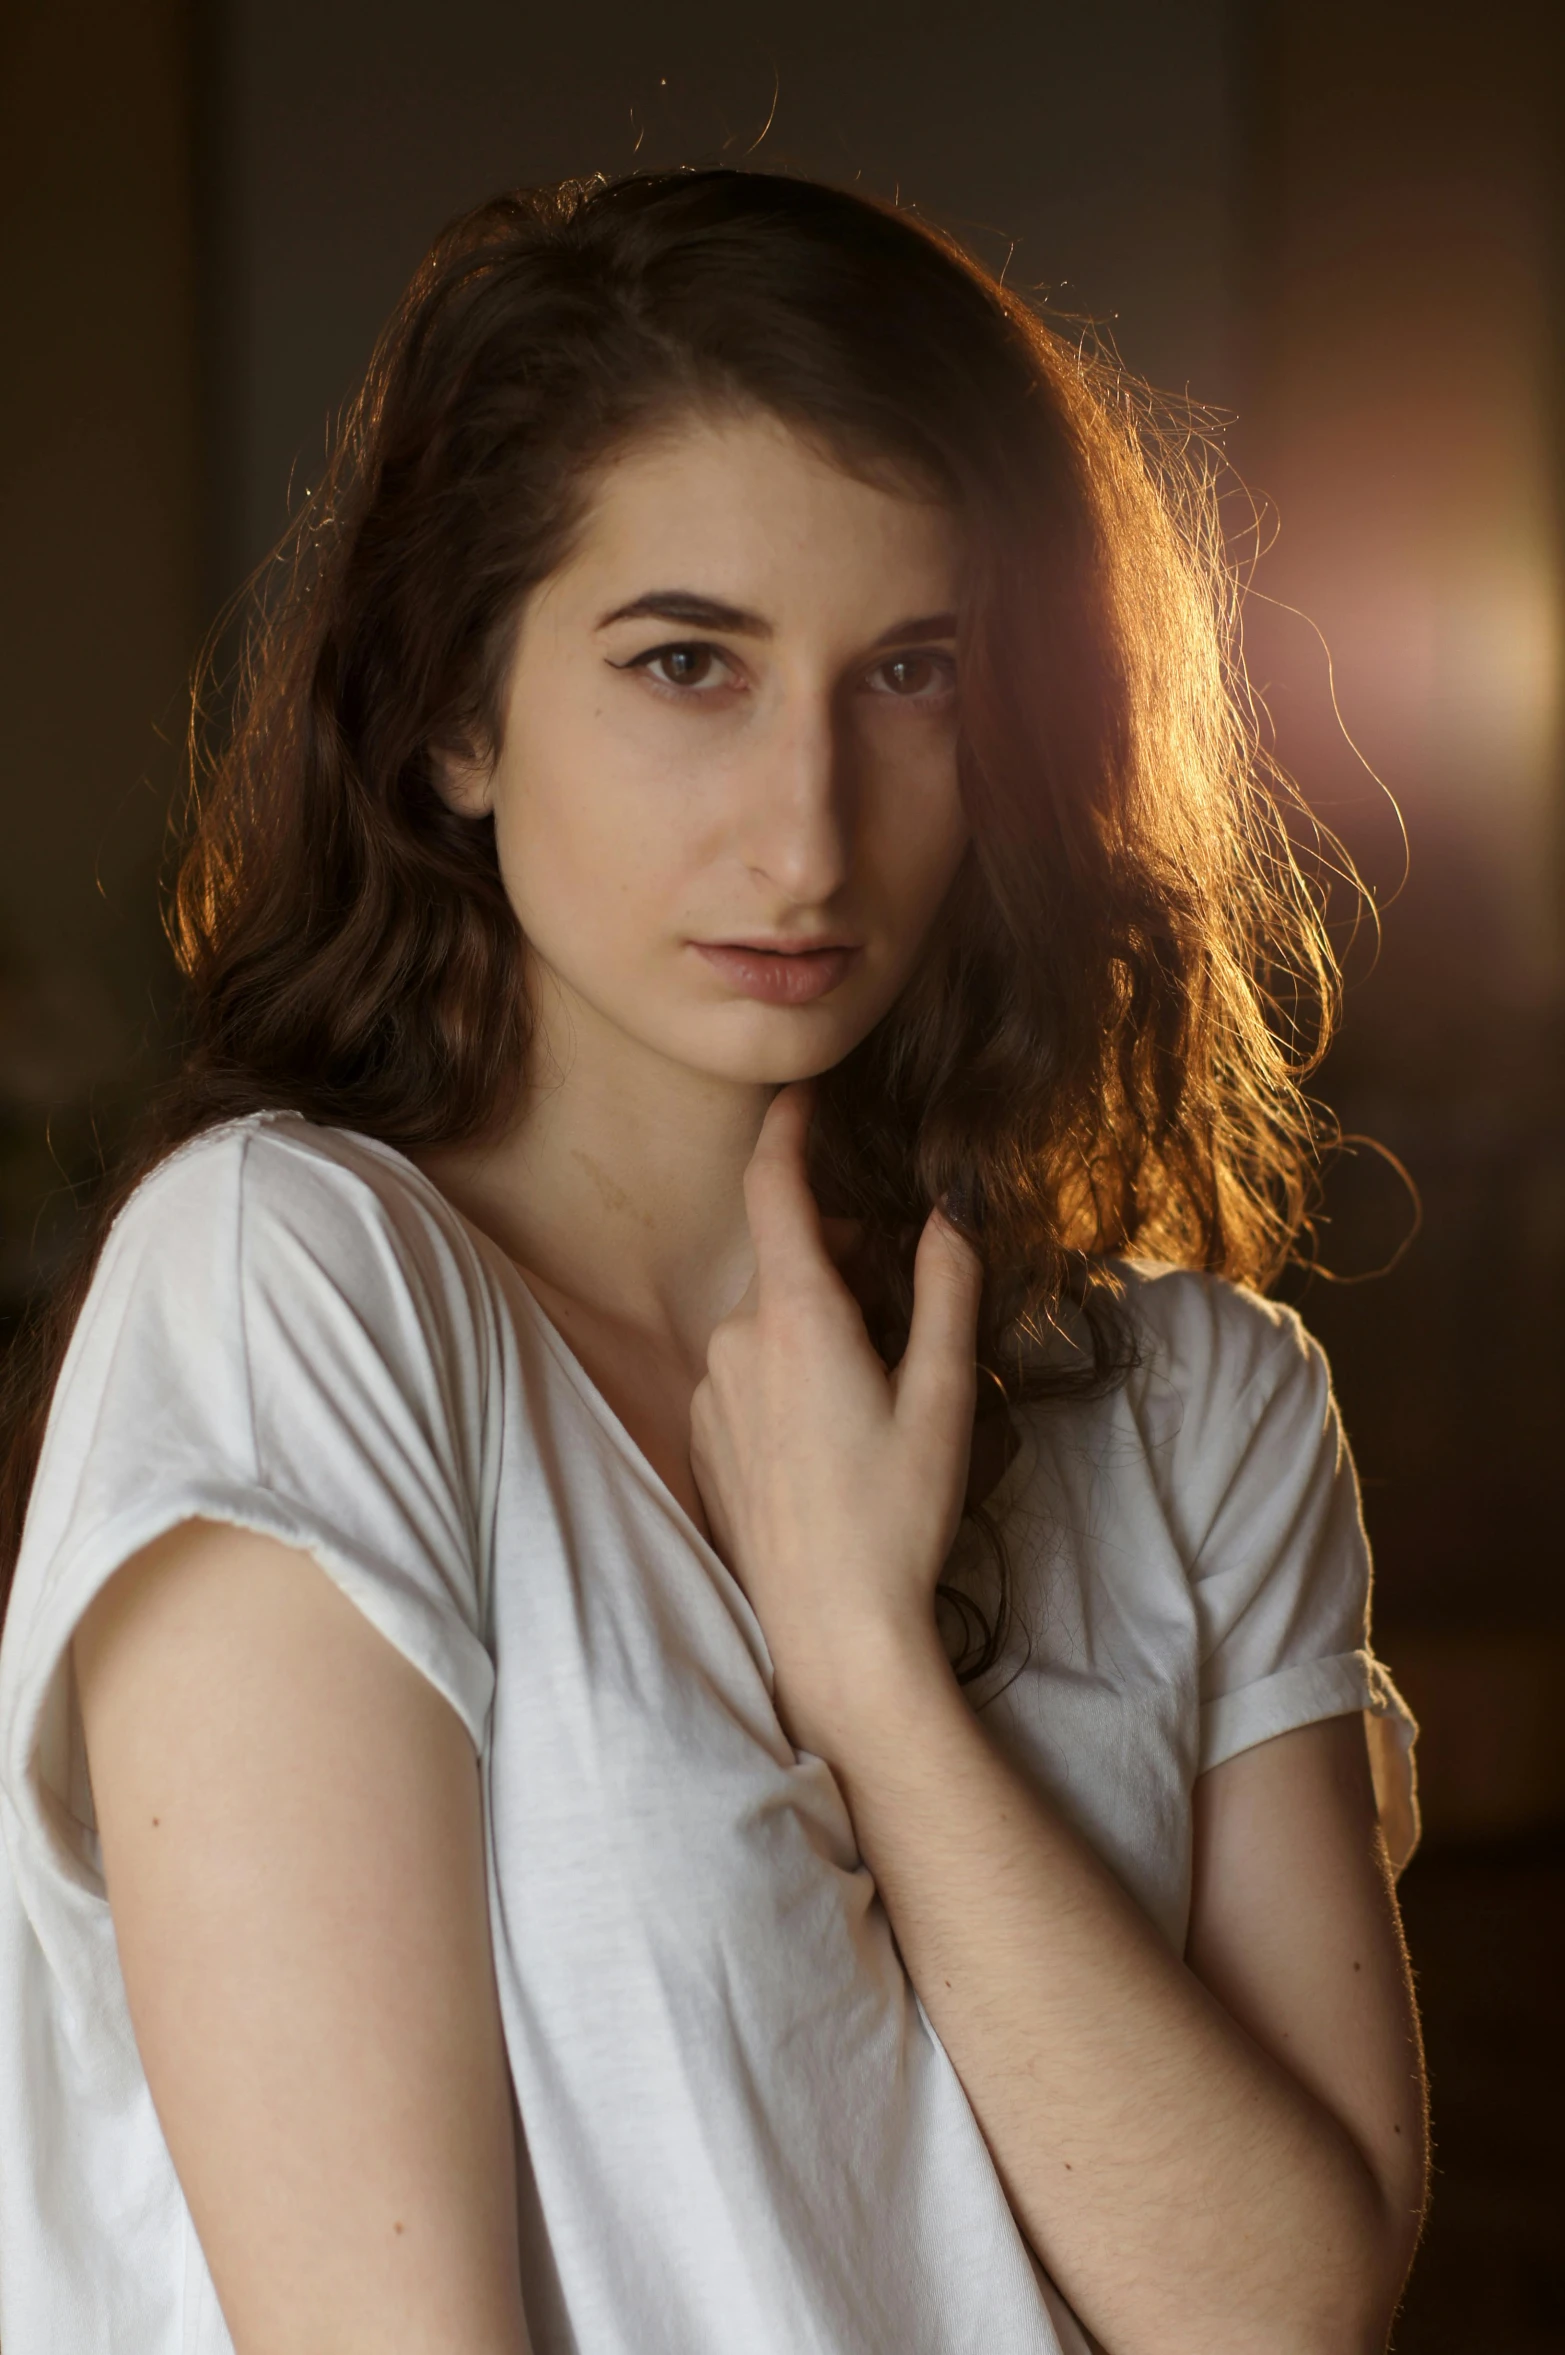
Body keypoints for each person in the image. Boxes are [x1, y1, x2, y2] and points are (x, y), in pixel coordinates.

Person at [0, 168, 1427, 2355]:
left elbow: (1273, 2313)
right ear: (454, 718)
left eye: (911, 675)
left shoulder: (1197, 1404)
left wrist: (871, 1684)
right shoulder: (297, 1294)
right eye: (686, 662)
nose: (805, 828)